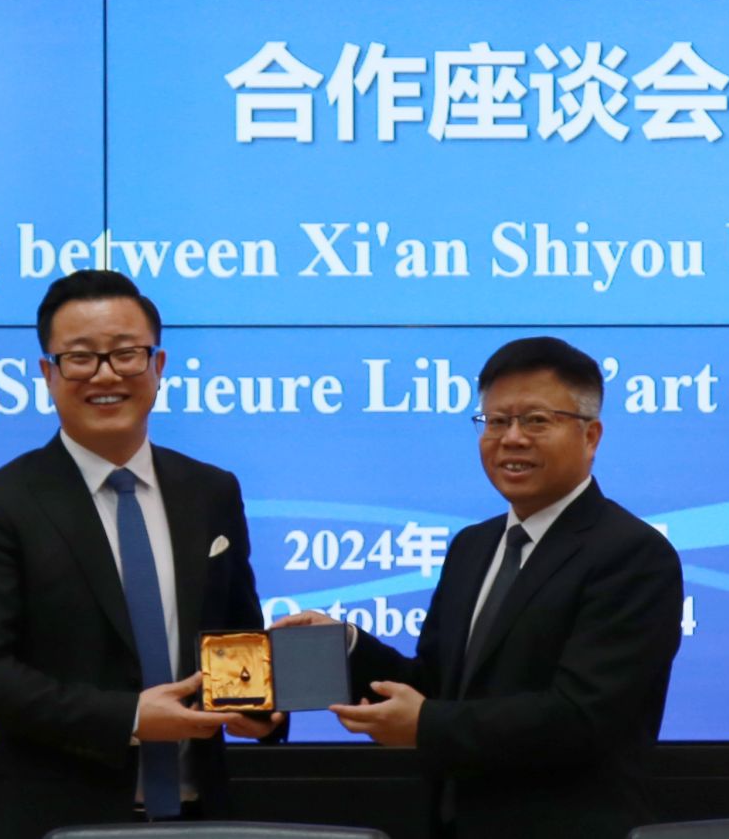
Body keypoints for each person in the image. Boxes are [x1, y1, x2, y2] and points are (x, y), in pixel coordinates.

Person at [278, 335, 685, 839]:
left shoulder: (632, 554)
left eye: (536, 420)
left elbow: (581, 718)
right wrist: (348, 647)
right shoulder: (473, 546)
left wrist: (426, 725)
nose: (511, 438)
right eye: (495, 421)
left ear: (591, 435)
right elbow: (437, 688)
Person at [0, 269, 279, 839]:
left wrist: (264, 708)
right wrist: (131, 718)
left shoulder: (211, 491)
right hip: (59, 822)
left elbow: (236, 634)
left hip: (203, 818)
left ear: (158, 366)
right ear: (48, 374)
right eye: (80, 358)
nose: (105, 374)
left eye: (126, 354)